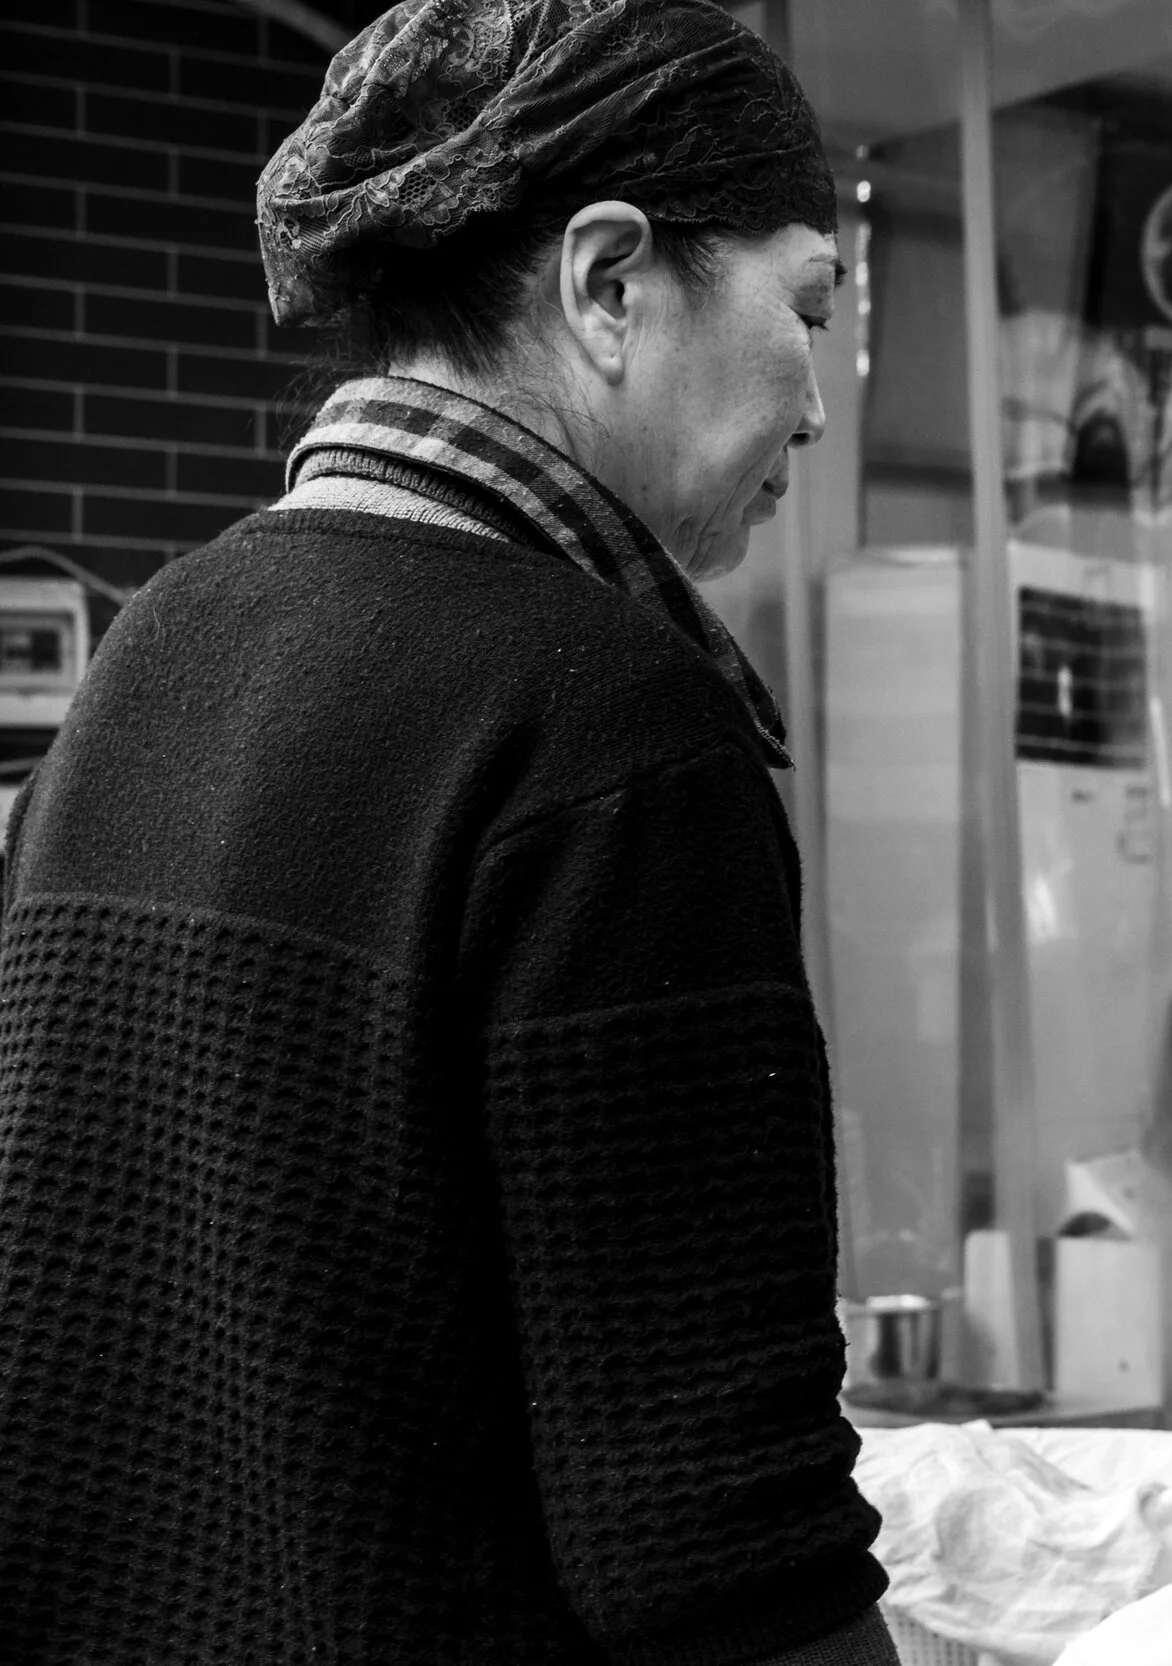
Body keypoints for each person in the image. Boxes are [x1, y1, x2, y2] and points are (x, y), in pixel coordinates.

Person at [0, 2, 896, 1660]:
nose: (822, 407)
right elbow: (718, 1543)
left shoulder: (149, 653)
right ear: (611, 281)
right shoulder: (613, 726)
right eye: (810, 306)